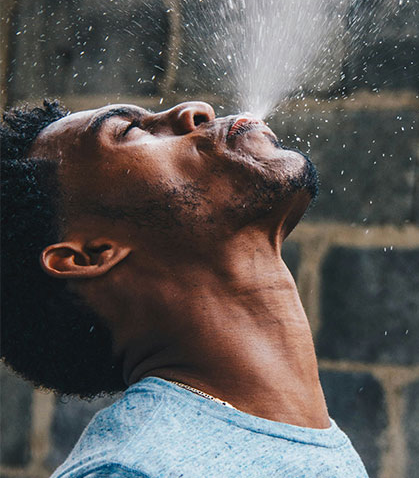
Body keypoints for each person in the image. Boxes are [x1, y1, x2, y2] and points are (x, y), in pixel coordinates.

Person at [1, 100, 368, 477]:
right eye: (129, 131)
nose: (196, 111)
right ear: (91, 253)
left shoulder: (305, 437)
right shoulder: (133, 469)